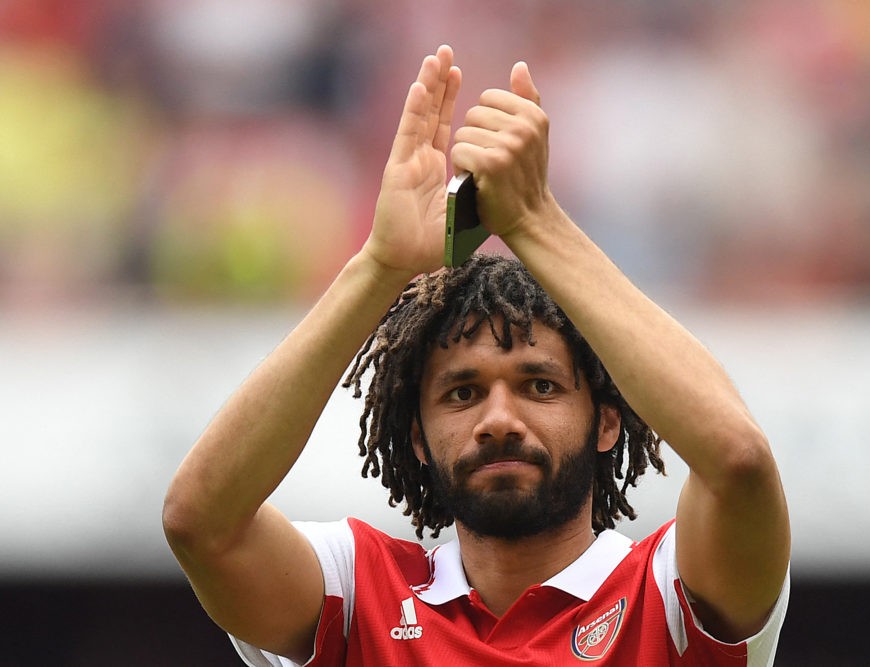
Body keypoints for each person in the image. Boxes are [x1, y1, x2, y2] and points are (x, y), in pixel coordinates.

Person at [163, 45, 791, 666]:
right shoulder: (357, 594)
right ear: (416, 436)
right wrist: (380, 266)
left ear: (606, 420)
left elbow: (737, 459)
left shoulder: (673, 596)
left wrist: (537, 222)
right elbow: (200, 522)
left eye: (540, 386)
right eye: (462, 393)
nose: (499, 419)